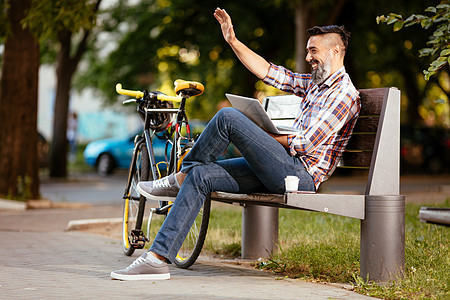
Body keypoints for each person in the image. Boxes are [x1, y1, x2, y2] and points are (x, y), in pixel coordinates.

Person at [110, 7, 360, 281]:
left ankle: (179, 175)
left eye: (314, 51)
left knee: (229, 117)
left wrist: (256, 134)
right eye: (308, 51)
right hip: (282, 166)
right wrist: (232, 39)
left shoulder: (345, 94)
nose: (307, 57)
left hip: (300, 176)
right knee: (201, 175)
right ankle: (157, 259)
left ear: (335, 52)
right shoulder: (315, 84)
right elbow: (269, 72)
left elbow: (307, 144)